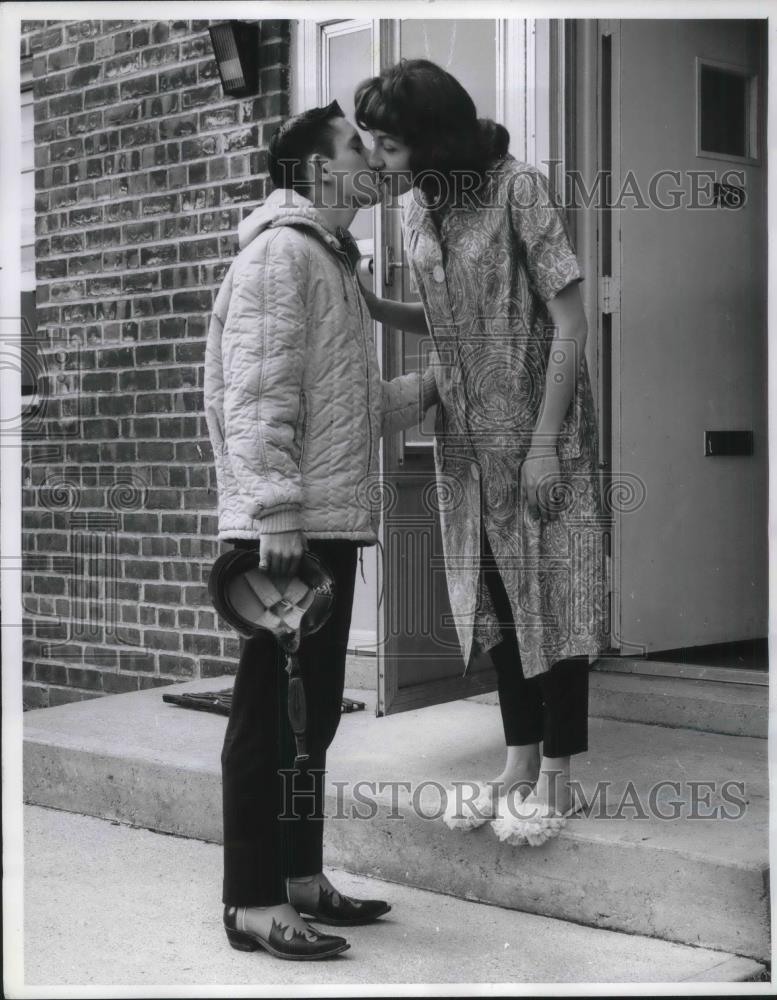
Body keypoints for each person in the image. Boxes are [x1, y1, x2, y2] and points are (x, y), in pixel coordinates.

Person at [204, 100, 437, 960]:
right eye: (354, 146)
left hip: (319, 523)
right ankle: (253, 904)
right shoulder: (279, 256)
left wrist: (426, 390)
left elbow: (342, 403)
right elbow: (258, 394)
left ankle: (301, 880)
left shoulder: (328, 261)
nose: (372, 156)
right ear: (314, 172)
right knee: (268, 720)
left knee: (310, 725)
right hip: (284, 534)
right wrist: (273, 512)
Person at [354, 60, 607, 847]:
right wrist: (367, 302)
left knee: (555, 601)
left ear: (431, 139)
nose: (378, 159)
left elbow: (569, 323)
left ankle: (560, 776)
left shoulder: (518, 187)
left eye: (389, 144)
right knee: (498, 604)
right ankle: (517, 763)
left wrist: (543, 448)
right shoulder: (415, 213)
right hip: (467, 442)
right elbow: (449, 322)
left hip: (541, 433)